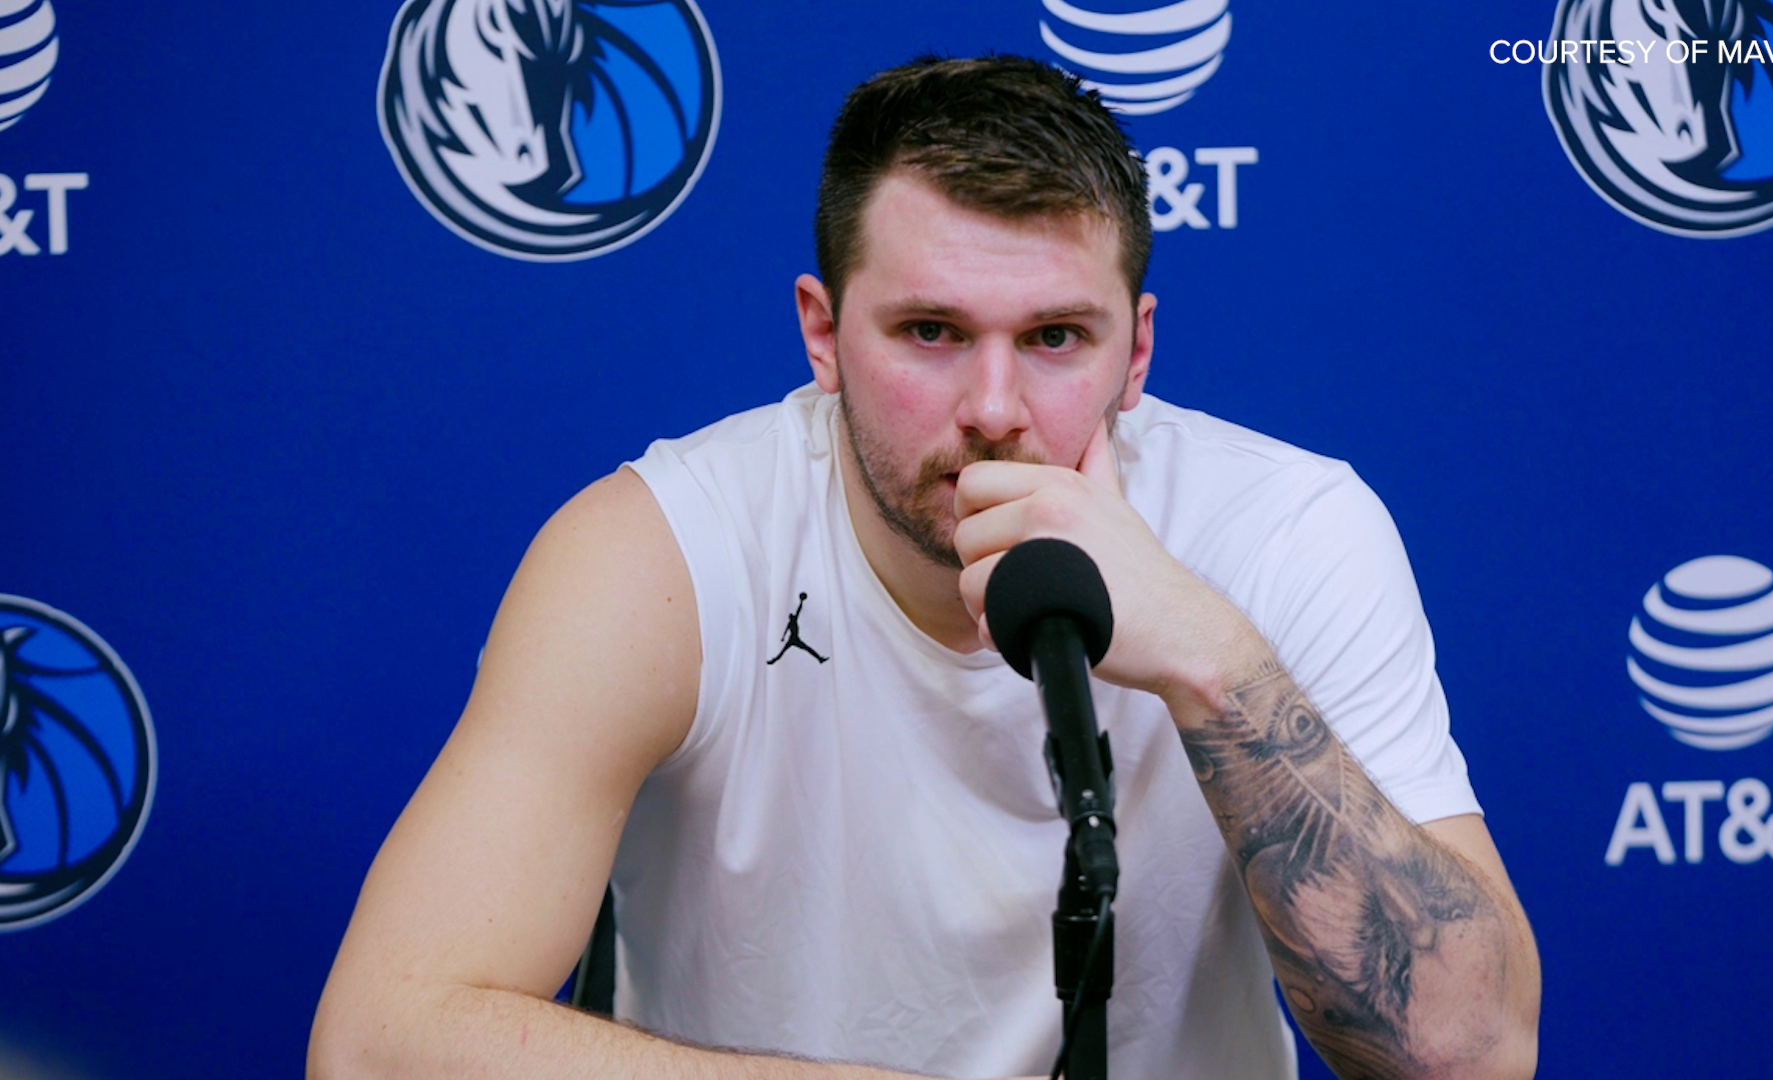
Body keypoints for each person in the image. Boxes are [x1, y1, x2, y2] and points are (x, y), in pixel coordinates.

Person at [310, 56, 1540, 1080]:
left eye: (1057, 337)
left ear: (1138, 352)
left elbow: (1473, 1054)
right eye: (931, 333)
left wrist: (1208, 660)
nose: (993, 408)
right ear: (822, 333)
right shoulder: (665, 553)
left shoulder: (1281, 531)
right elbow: (379, 1040)